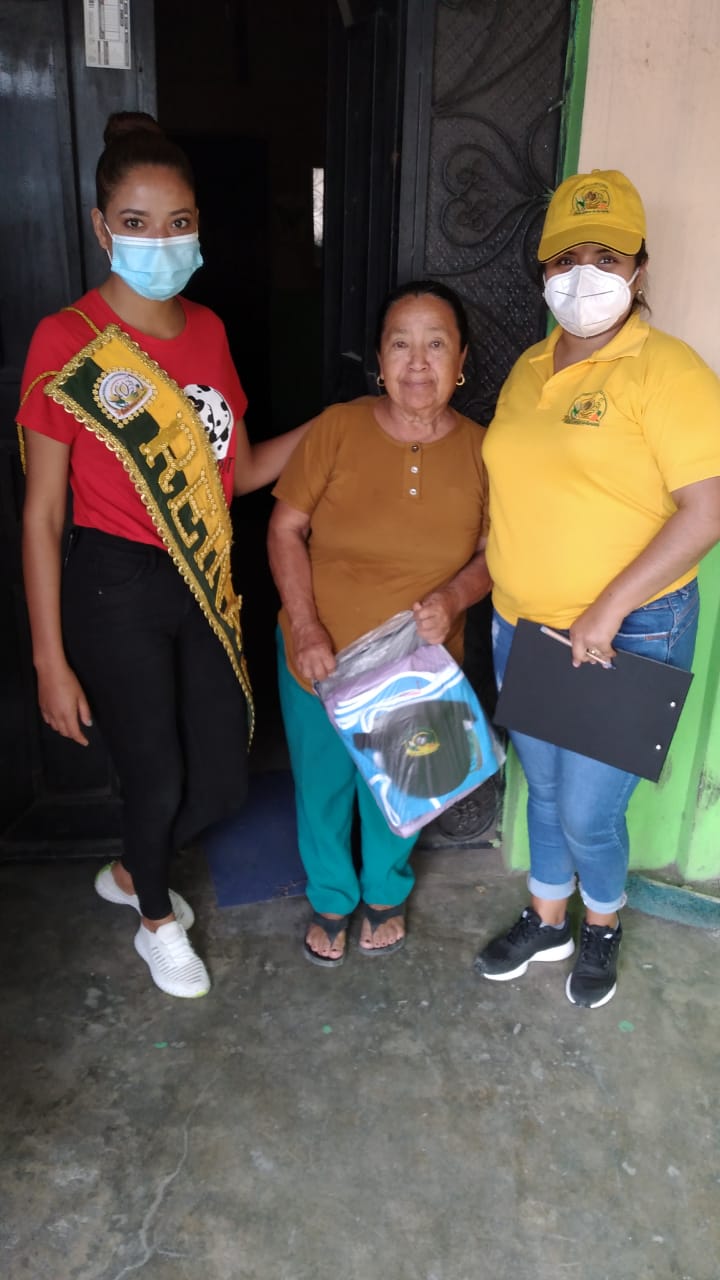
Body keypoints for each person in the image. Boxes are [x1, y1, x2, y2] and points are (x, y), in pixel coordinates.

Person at [18, 113, 308, 999]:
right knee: (155, 773)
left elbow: (239, 471)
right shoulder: (66, 341)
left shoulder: (210, 330)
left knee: (220, 779)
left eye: (178, 222)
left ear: (197, 226)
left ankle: (129, 867)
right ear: (101, 227)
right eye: (137, 223)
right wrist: (48, 659)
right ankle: (154, 919)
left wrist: (337, 428)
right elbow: (42, 513)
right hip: (113, 587)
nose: (160, 240)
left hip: (202, 577)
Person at [474, 169, 720, 1008]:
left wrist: (609, 607)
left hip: (629, 632)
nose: (584, 276)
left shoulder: (670, 371)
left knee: (587, 811)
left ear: (639, 268)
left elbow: (707, 509)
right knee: (541, 790)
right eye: (566, 258)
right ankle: (548, 917)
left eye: (607, 257)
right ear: (544, 271)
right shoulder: (527, 367)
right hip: (523, 625)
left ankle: (603, 922)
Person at [267, 280, 491, 967]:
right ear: (379, 360)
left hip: (419, 662)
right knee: (324, 787)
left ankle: (386, 891)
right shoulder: (338, 428)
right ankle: (332, 897)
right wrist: (306, 626)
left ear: (461, 361)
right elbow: (285, 528)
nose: (417, 362)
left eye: (435, 344)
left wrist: (454, 597)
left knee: (407, 782)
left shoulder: (485, 450)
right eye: (400, 344)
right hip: (322, 655)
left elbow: (495, 555)